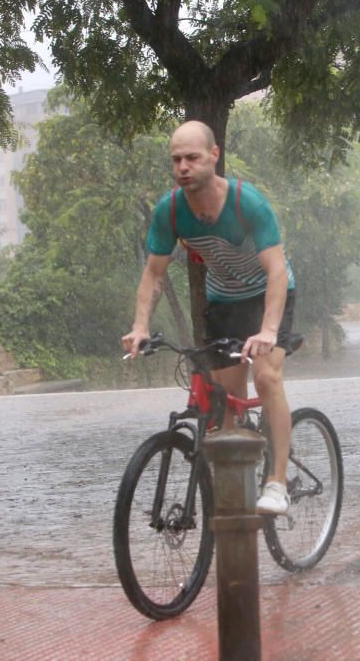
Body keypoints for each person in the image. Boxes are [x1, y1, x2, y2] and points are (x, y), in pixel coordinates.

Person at [122, 120, 295, 515]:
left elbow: (277, 271)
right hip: (224, 302)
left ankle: (278, 482)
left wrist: (268, 330)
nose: (183, 167)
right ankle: (236, 498)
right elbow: (154, 274)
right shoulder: (170, 211)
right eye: (176, 159)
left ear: (214, 156)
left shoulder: (245, 203)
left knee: (267, 376)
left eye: (192, 158)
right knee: (225, 405)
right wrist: (140, 326)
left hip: (268, 296)